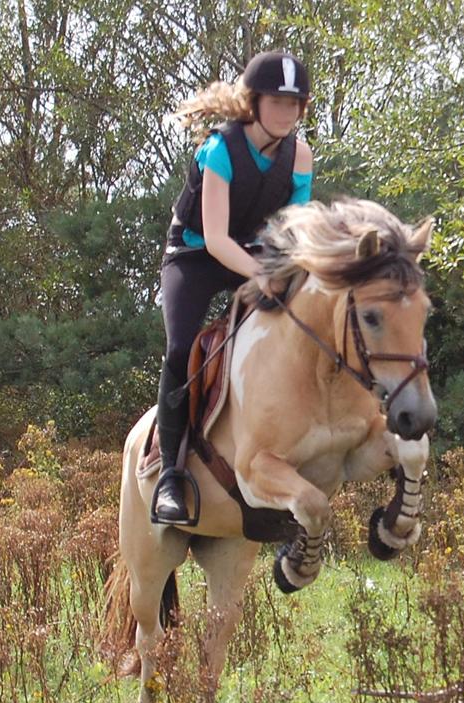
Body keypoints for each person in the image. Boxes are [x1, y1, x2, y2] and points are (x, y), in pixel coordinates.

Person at [151, 51, 314, 524]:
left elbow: (292, 229)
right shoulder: (220, 148)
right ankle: (170, 476)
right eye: (278, 102)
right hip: (197, 253)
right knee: (182, 347)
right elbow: (218, 239)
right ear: (254, 102)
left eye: (295, 104)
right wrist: (260, 273)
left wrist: (290, 273)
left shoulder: (299, 155)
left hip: (257, 254)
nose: (287, 113)